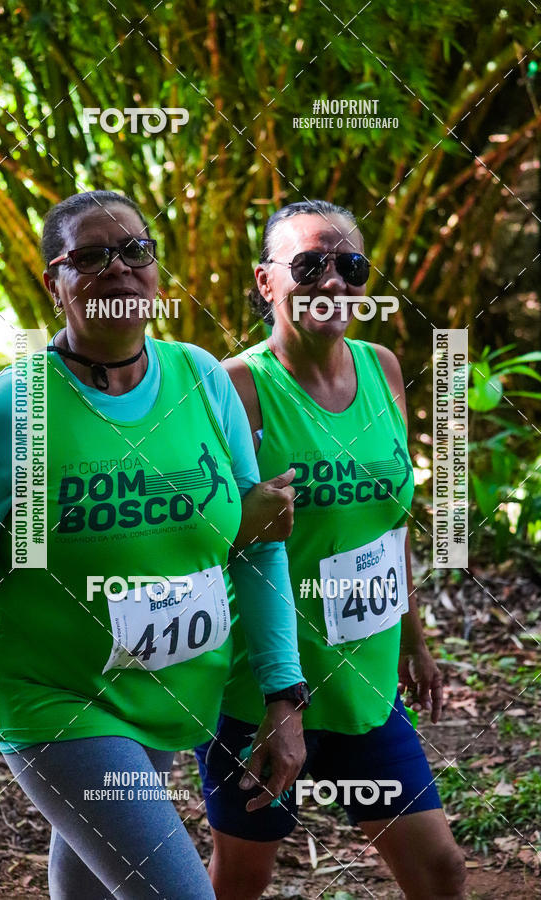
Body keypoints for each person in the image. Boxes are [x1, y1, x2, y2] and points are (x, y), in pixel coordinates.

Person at [0, 190, 308, 899]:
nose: (118, 269)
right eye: (90, 256)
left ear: (157, 271)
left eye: (135, 250)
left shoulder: (201, 378)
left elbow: (259, 542)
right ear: (56, 282)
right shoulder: (7, 414)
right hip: (59, 701)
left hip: (171, 694)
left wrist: (284, 695)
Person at [195, 200, 467, 899]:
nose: (333, 282)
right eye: (309, 265)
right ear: (265, 281)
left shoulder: (383, 367)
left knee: (440, 871)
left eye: (350, 265)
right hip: (257, 692)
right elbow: (202, 539)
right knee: (242, 883)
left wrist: (415, 638)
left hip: (363, 680)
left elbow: (390, 525)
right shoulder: (236, 387)